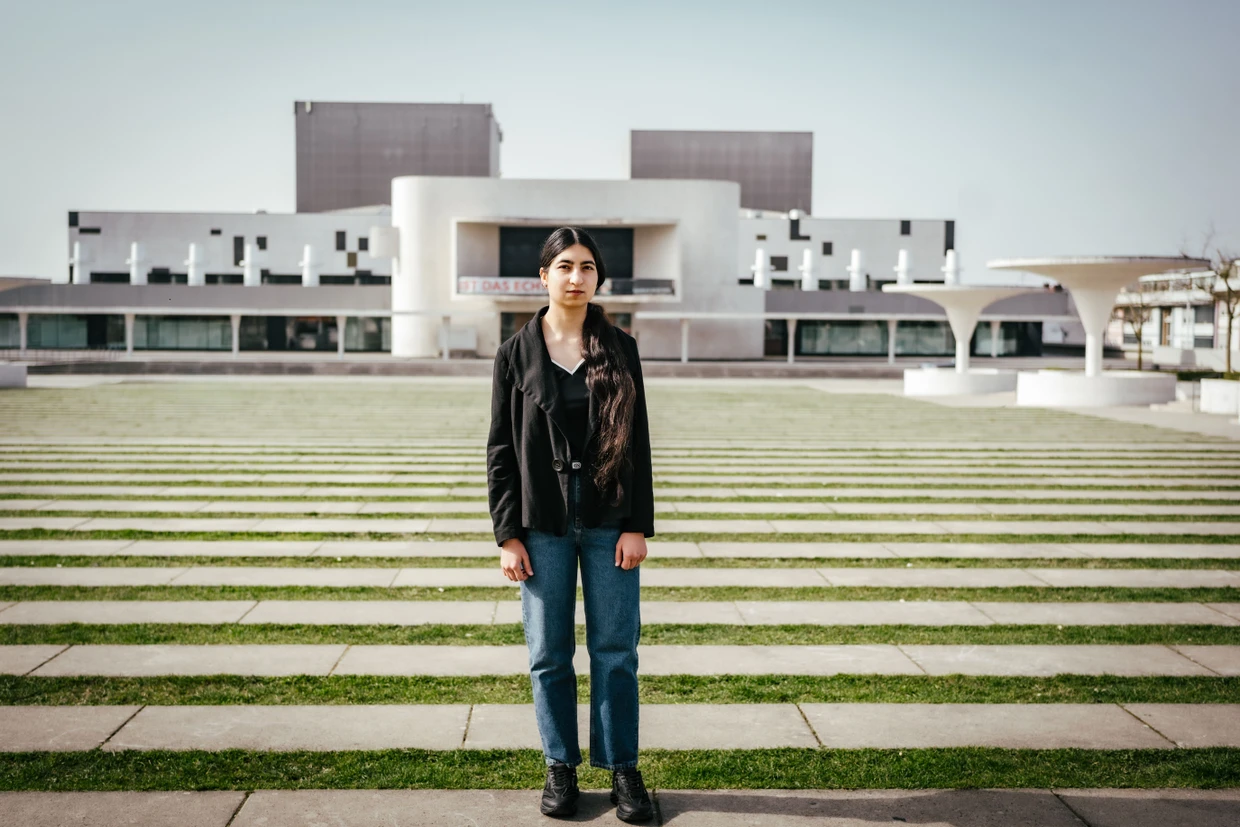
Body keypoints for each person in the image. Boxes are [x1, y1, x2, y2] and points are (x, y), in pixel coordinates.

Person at [487, 226, 655, 822]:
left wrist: (636, 525)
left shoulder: (619, 347)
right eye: (564, 266)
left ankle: (623, 771)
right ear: (544, 276)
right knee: (548, 652)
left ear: (597, 277)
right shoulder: (515, 354)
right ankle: (560, 765)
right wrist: (508, 534)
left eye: (586, 266)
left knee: (616, 650)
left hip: (610, 515)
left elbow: (637, 441)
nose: (576, 276)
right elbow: (501, 449)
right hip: (541, 519)